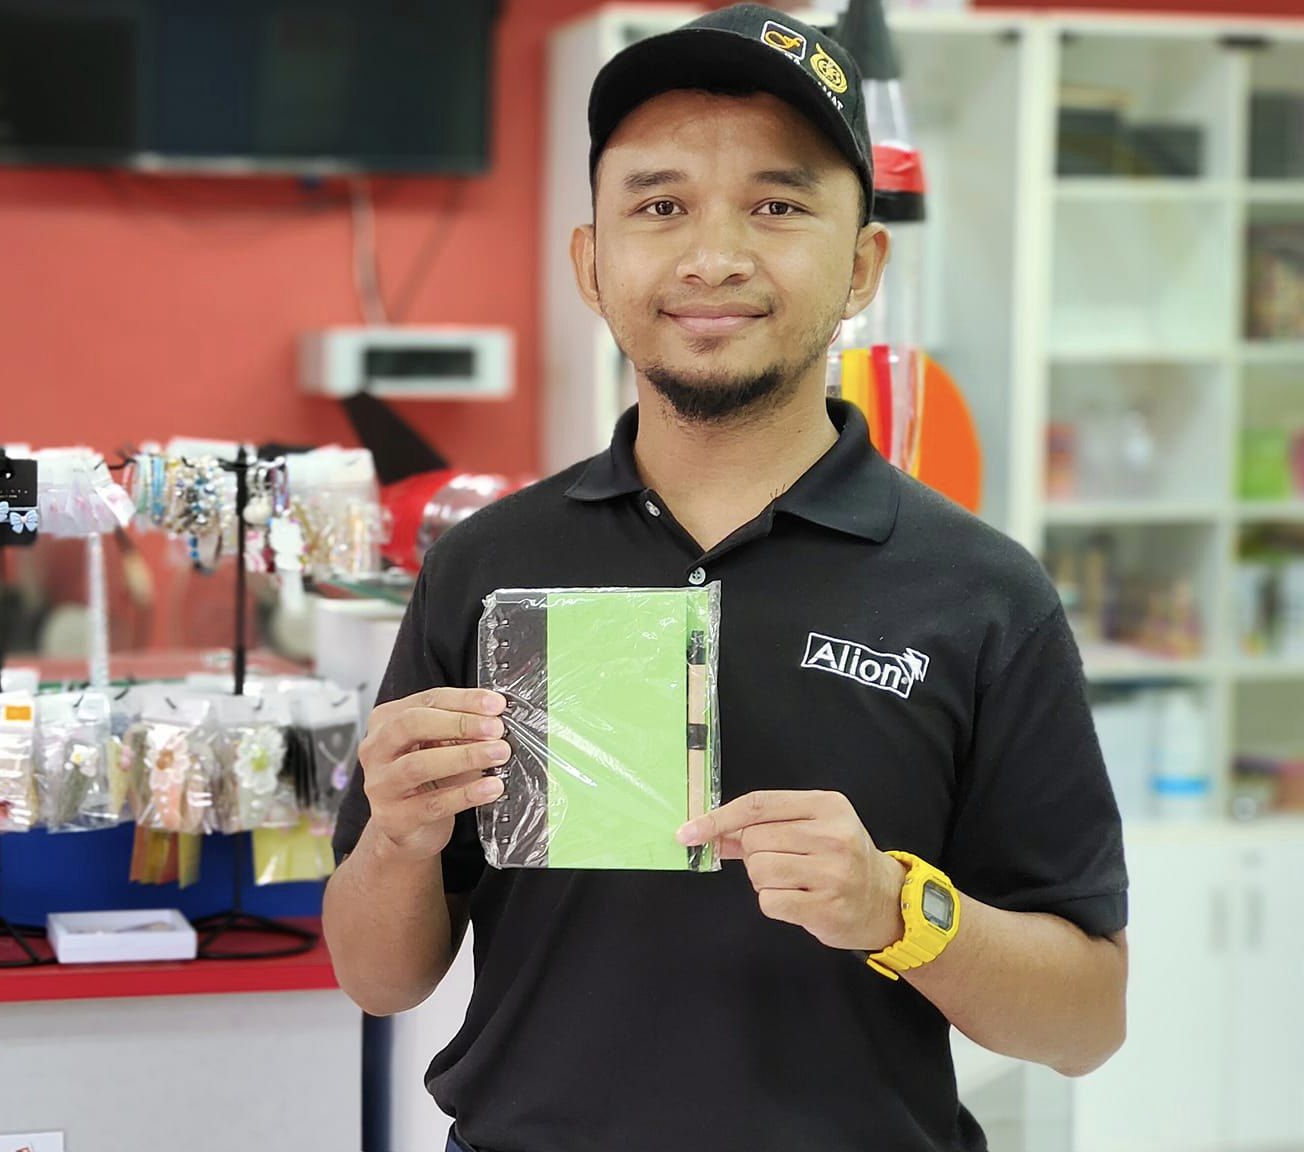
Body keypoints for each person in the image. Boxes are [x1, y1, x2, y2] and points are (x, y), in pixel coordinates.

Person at [323, 7, 1129, 1151]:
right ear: (589, 263)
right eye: (658, 207)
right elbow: (377, 979)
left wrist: (894, 908)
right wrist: (397, 841)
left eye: (776, 206)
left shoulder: (979, 594)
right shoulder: (486, 564)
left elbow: (1085, 1021)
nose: (713, 257)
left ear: (861, 265)